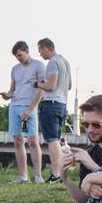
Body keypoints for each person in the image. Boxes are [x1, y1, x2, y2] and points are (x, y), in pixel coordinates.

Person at [1, 41, 46, 183]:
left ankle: (38, 175)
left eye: (20, 55)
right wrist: (7, 95)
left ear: (26, 51)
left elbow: (41, 89)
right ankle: (23, 176)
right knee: (18, 140)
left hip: (28, 108)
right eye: (16, 57)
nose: (19, 58)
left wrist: (31, 109)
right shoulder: (15, 69)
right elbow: (12, 89)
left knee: (32, 140)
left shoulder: (39, 66)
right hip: (15, 107)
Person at [35, 38, 72, 182]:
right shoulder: (65, 62)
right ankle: (62, 173)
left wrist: (37, 83)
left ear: (45, 49)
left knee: (52, 140)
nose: (40, 55)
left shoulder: (52, 62)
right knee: (56, 138)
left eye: (40, 52)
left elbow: (50, 86)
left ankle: (57, 174)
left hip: (51, 103)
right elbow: (68, 85)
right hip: (62, 104)